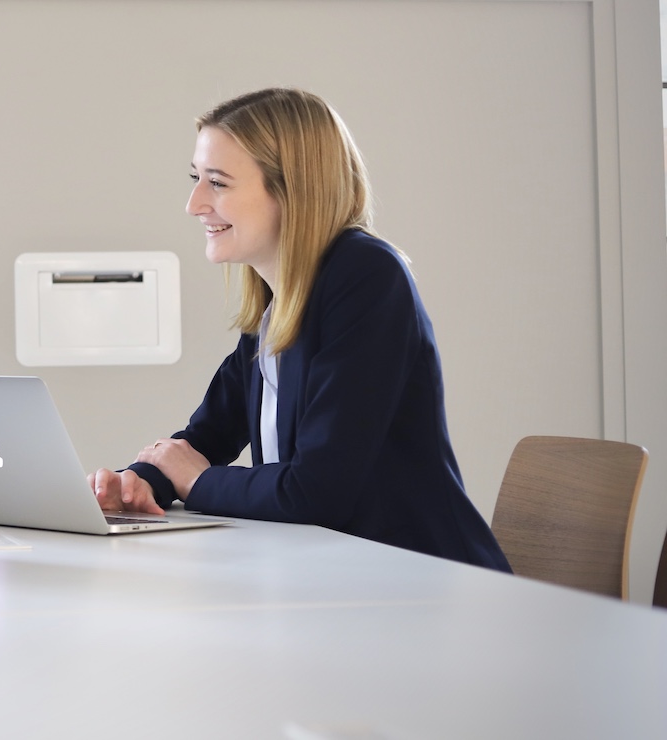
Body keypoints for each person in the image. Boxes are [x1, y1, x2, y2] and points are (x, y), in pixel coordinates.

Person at [90, 88, 510, 572]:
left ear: (292, 189)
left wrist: (197, 482)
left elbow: (315, 491)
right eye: (196, 179)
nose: (194, 203)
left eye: (218, 183)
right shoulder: (279, 301)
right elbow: (206, 438)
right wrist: (139, 482)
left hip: (418, 582)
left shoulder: (367, 276)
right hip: (337, 579)